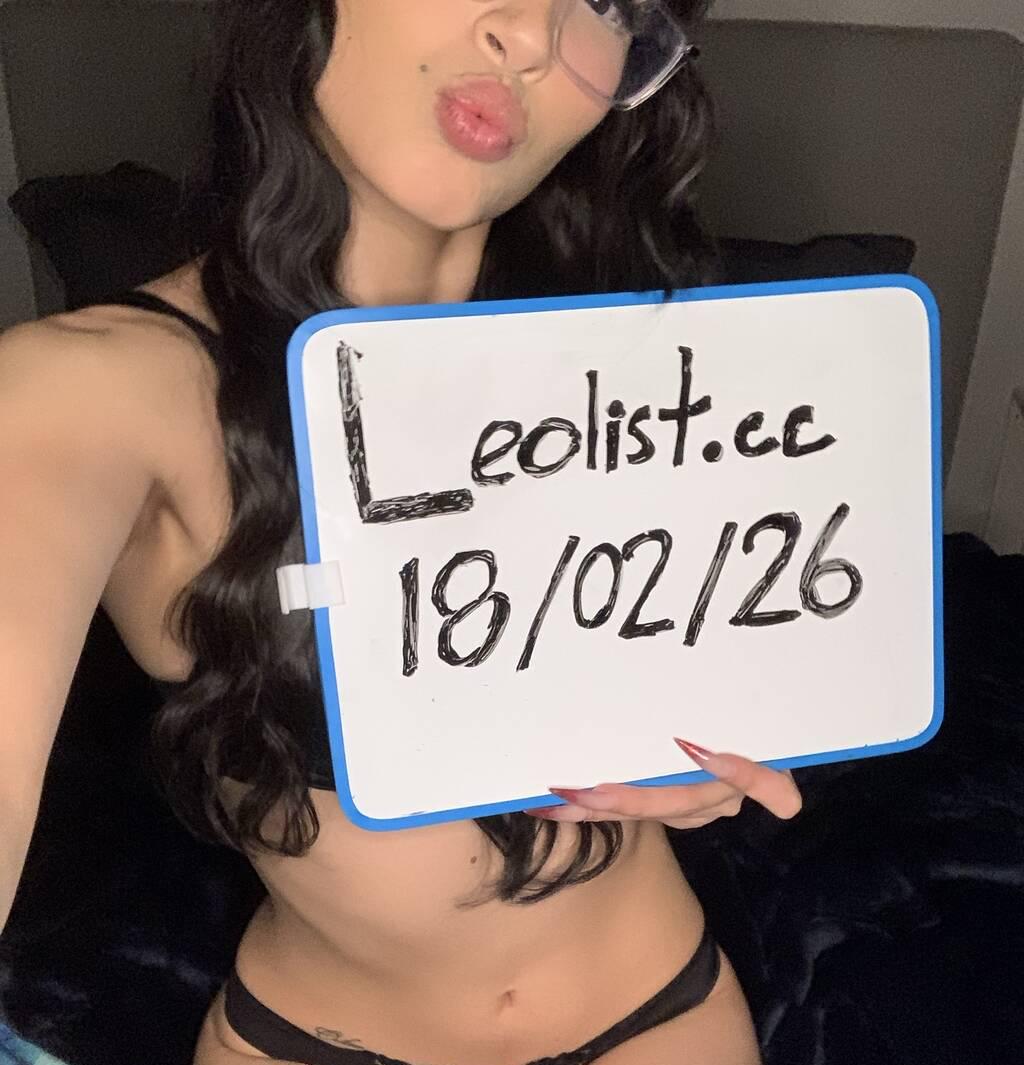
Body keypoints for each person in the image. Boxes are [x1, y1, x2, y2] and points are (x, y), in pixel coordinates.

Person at [0, 2, 803, 1062]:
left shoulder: (641, 358)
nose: (529, 35)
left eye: (605, 1)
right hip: (315, 1036)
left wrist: (719, 731)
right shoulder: (91, 389)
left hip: (659, 1013)